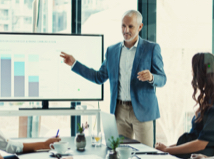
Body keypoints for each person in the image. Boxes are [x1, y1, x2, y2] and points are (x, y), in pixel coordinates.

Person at [60, 10, 166, 147]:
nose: (125, 30)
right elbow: (99, 77)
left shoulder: (151, 49)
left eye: (130, 26)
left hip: (143, 111)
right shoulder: (112, 51)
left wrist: (151, 77)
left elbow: (162, 79)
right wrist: (74, 63)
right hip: (119, 111)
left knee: (145, 155)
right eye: (123, 26)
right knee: (119, 153)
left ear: (140, 27)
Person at [154, 53, 214, 159]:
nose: (192, 74)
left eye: (194, 71)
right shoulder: (212, 98)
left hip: (200, 158)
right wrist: (166, 148)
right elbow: (195, 138)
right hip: (193, 155)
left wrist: (168, 150)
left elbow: (202, 143)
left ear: (202, 74)